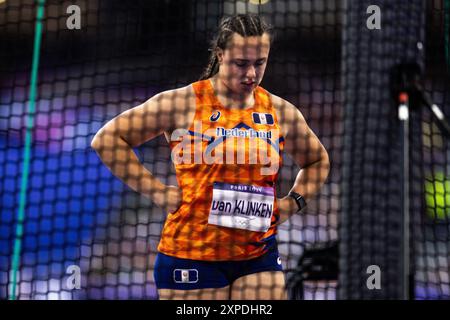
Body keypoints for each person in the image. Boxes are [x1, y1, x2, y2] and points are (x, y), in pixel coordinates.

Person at [91, 13, 330, 300]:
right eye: (241, 63)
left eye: (260, 63)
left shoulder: (280, 111)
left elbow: (317, 161)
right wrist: (157, 192)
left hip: (257, 254)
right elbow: (107, 139)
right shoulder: (181, 103)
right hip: (191, 254)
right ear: (220, 55)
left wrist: (294, 202)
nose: (251, 74)